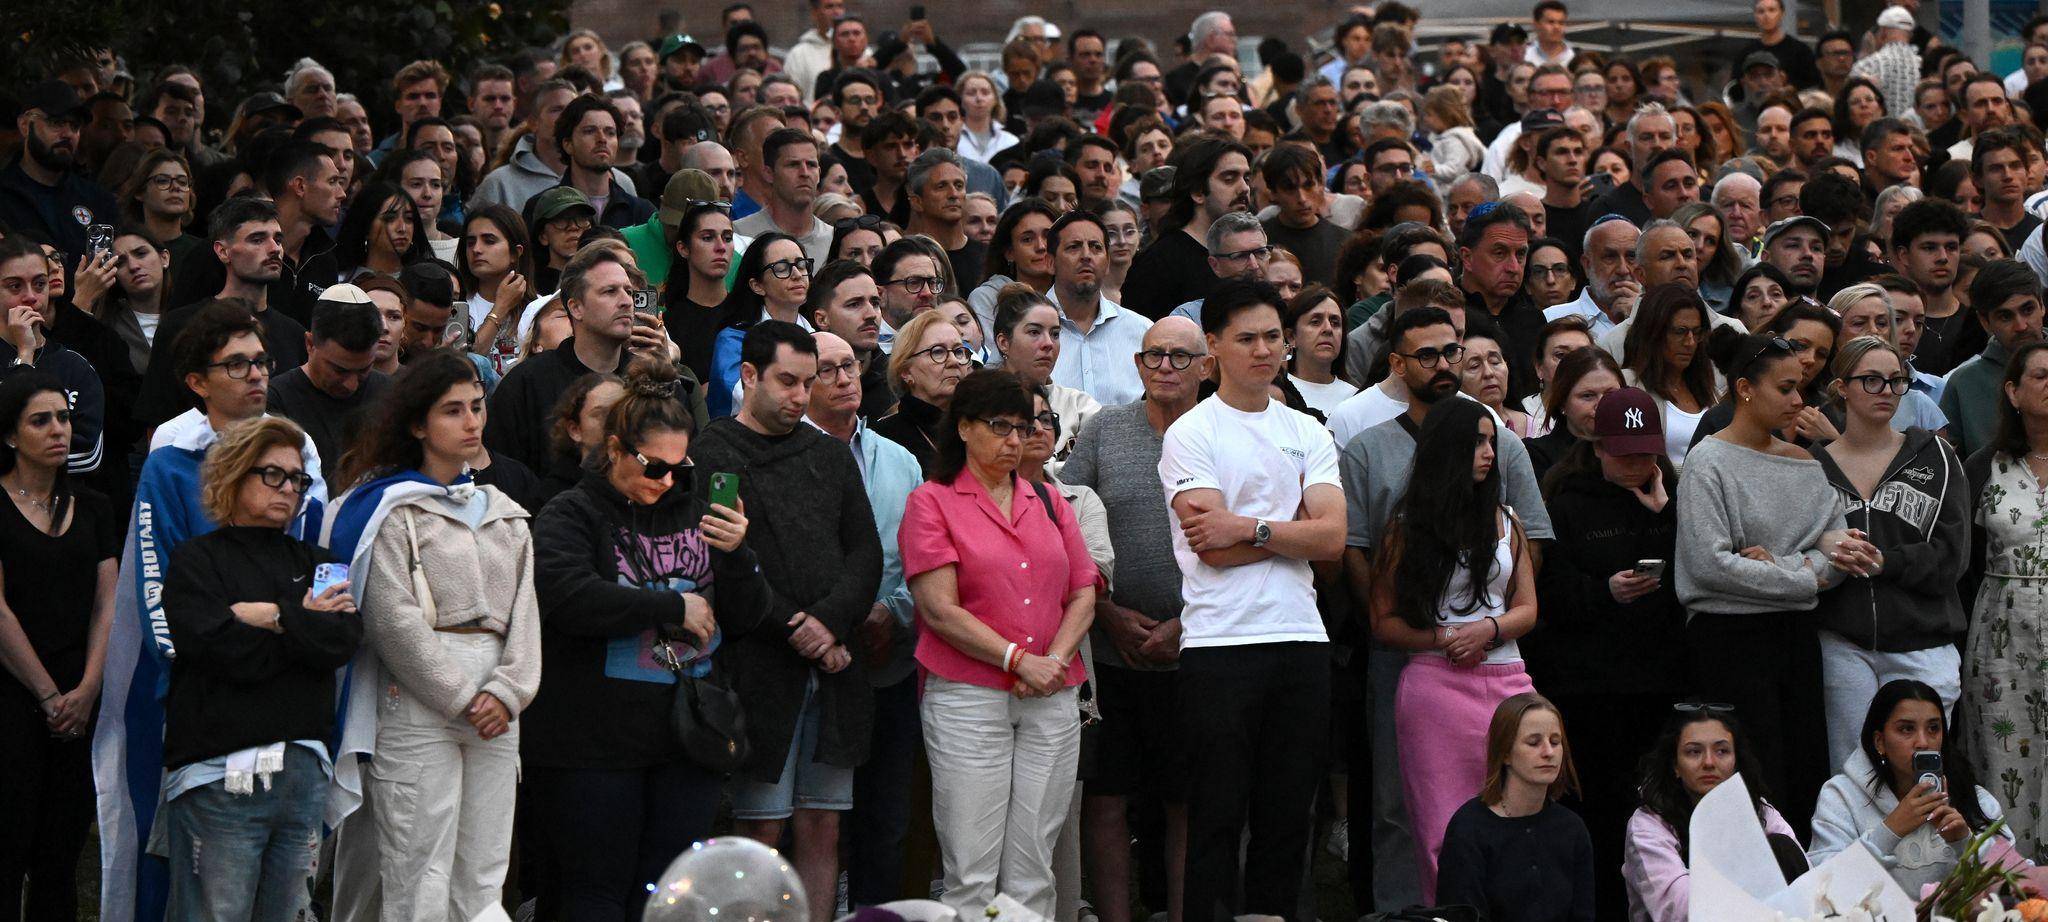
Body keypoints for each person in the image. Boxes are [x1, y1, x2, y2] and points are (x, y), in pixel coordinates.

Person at [526, 355, 762, 920]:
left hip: (687, 741)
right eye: (655, 467)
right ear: (613, 451)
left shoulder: (700, 512)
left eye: (682, 469)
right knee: (596, 893)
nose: (669, 481)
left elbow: (751, 615)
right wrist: (671, 605)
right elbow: (567, 597)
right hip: (593, 745)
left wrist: (737, 556)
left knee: (668, 896)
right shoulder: (572, 513)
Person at [321, 352, 539, 921]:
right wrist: (463, 698)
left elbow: (525, 619)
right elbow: (391, 620)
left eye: (476, 407)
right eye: (452, 411)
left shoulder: (506, 513)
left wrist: (508, 693)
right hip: (418, 704)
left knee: (483, 878)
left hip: (497, 704)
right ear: (417, 424)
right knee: (419, 874)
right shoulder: (386, 510)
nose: (471, 422)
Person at [1162, 279, 1346, 920]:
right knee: (1216, 817)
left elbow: (1332, 538)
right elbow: (1210, 545)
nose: (1265, 350)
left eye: (1273, 336)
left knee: (1287, 817)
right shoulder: (1191, 432)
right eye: (1247, 338)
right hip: (1220, 645)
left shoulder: (1308, 430)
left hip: (1300, 640)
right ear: (1212, 347)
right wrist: (1288, 528)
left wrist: (1251, 526)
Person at [693, 322, 881, 921]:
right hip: (758, 668)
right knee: (761, 830)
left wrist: (828, 624)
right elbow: (723, 561)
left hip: (833, 666)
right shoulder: (714, 452)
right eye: (787, 381)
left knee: (823, 824)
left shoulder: (827, 452)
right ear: (749, 376)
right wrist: (797, 627)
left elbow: (865, 553)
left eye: (810, 380)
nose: (801, 396)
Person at [899, 368, 1098, 918]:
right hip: (968, 697)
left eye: (1024, 427)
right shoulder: (931, 501)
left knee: (1034, 867)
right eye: (1000, 427)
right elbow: (939, 608)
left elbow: (1084, 589)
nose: (1015, 440)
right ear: (963, 428)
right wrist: (1018, 660)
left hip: (1052, 693)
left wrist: (1052, 660)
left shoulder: (1050, 500)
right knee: (971, 869)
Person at [157, 416, 360, 922]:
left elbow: (339, 642)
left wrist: (268, 616)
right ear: (233, 474)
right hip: (218, 774)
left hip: (303, 778)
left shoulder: (322, 561)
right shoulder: (194, 560)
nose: (288, 488)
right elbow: (219, 650)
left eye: (297, 479)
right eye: (273, 474)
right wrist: (300, 625)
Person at [1677, 329, 1878, 832]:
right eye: (1785, 388)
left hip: (1795, 640)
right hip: (1728, 642)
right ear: (1745, 388)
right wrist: (1804, 571)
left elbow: (1839, 553)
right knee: (1745, 782)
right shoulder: (1708, 461)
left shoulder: (1807, 463)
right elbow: (1709, 565)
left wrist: (1783, 568)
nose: (1798, 401)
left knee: (1803, 771)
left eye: (1801, 388)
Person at [1062, 316, 1207, 922]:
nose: (1165, 368)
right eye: (1154, 357)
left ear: (1206, 364)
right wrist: (1107, 613)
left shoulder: (1219, 429)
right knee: (1107, 796)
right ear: (1138, 364)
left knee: (1186, 800)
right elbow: (1065, 527)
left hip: (1199, 645)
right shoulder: (1103, 433)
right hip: (1111, 644)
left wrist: (1186, 623)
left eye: (1180, 357)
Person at [1369, 394, 1539, 901]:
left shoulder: (1508, 521)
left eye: (1492, 441)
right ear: (1447, 449)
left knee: (1519, 821)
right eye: (1477, 442)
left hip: (1508, 679)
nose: (1490, 452)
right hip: (1433, 684)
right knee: (1442, 832)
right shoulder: (1405, 528)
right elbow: (1384, 622)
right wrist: (1442, 637)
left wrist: (1488, 630)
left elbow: (1528, 608)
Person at [1526, 387, 1688, 915]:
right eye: (1625, 454)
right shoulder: (1566, 500)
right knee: (1596, 806)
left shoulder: (1672, 496)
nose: (1638, 465)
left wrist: (1666, 515)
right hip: (1589, 685)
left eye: (1647, 453)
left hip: (1658, 679)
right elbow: (1546, 593)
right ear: (1597, 447)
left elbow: (1696, 575)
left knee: (1655, 805)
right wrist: (1605, 592)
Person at [803, 329, 926, 910]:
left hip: (889, 661)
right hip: (810, 665)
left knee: (886, 818)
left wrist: (893, 613)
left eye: (850, 365)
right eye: (827, 370)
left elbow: (924, 557)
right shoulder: (785, 456)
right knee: (814, 822)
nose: (845, 378)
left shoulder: (899, 460)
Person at [1810, 337, 1967, 771]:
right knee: (1852, 773)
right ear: (1841, 387)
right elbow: (1795, 543)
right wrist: (1825, 545)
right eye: (1872, 381)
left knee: (1922, 772)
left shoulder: (1936, 457)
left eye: (1896, 381)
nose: (1887, 392)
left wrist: (1884, 561)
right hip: (1844, 642)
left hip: (1923, 641)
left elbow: (1952, 558)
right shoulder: (1812, 465)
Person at [0, 372, 119, 922]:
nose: (58, 430)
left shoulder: (94, 506)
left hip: (79, 698)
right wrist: (49, 697)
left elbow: (106, 602)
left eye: (64, 418)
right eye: (40, 420)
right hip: (11, 696)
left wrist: (88, 687)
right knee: (8, 846)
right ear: (9, 435)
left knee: (62, 852)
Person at [484, 245, 701, 473]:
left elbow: (683, 470)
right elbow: (503, 474)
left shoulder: (655, 383)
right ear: (576, 308)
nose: (627, 302)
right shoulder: (527, 383)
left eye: (629, 292)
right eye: (610, 291)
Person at [1961, 339, 2048, 856]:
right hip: (2001, 641)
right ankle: (2007, 885)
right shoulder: (1983, 466)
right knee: (2003, 755)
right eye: (2040, 376)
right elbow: (1963, 564)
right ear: (2012, 391)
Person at [1810, 679, 2009, 892]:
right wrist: (1891, 830)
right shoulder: (1841, 797)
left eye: (1933, 728)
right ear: (1879, 742)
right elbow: (1822, 889)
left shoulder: (1973, 796)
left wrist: (1965, 843)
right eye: (1906, 729)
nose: (1923, 742)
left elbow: (2017, 883)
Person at [1622, 705, 1803, 922]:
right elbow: (1682, 912)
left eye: (1722, 751)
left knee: (1781, 848)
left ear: (1736, 762)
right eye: (1694, 752)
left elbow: (1809, 881)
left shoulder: (1760, 809)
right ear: (1675, 766)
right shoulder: (1649, 823)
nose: (1709, 763)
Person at [1435, 692, 1595, 922]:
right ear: (1506, 753)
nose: (1548, 752)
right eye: (1533, 742)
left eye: (1555, 741)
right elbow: (1462, 913)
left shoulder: (1571, 828)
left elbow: (1583, 914)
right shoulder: (1469, 828)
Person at [0, 238, 107, 476]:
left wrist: (12, 457)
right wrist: (24, 356)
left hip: (62, 503)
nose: (30, 297)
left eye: (39, 284)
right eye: (15, 286)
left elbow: (88, 456)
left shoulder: (74, 366)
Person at [266, 285, 389, 467]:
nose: (351, 385)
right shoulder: (275, 401)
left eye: (364, 370)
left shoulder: (392, 394)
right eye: (340, 370)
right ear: (310, 344)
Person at [1047, 210, 1150, 407]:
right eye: (1074, 247)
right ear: (1050, 262)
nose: (1086, 256)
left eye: (1096, 247)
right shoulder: (1023, 331)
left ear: (1107, 263)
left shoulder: (1142, 330)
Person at [1940, 259, 2041, 459]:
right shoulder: (1964, 384)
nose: (2021, 325)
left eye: (2028, 310)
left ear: (2043, 306)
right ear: (1985, 322)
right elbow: (1948, 469)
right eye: (2006, 316)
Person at [992, 284, 1102, 462]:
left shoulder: (1078, 404)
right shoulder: (981, 403)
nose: (1048, 343)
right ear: (1004, 342)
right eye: (1034, 332)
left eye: (1055, 334)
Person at [1620, 284, 1721, 467]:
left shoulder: (1709, 390)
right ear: (1653, 332)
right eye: (1680, 331)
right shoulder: (1628, 385)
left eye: (1696, 332)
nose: (1690, 342)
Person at [871, 309, 972, 473]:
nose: (954, 361)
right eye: (938, 352)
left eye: (959, 351)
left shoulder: (982, 426)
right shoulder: (883, 439)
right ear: (906, 372)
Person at [1285, 285, 1356, 421]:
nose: (1328, 329)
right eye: (1315, 322)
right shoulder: (1277, 393)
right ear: (1291, 336)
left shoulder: (1357, 397)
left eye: (1335, 323)